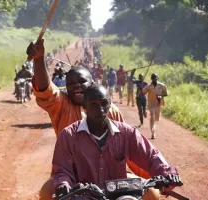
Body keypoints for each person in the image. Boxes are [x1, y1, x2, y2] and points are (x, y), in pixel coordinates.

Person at [26, 40, 150, 200]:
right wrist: (38, 58)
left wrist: (157, 177)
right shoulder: (62, 105)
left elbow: (129, 150)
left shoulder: (112, 111)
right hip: (72, 179)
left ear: (93, 83)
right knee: (47, 193)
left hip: (111, 177)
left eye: (81, 82)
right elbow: (45, 89)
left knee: (151, 192)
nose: (76, 86)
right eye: (70, 84)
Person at [52, 84, 181, 200]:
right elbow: (62, 170)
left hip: (121, 195)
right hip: (83, 196)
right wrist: (63, 184)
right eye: (94, 105)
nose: (101, 110)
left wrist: (167, 174)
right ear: (84, 106)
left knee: (153, 195)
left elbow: (151, 156)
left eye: (104, 103)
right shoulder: (68, 136)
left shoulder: (127, 132)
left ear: (110, 103)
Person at [142, 73, 168, 139]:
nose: (154, 79)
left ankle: (153, 129)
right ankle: (153, 133)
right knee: (152, 117)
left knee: (156, 119)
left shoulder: (162, 85)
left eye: (155, 78)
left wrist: (160, 96)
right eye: (153, 78)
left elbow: (166, 93)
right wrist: (141, 89)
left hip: (158, 104)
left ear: (157, 78)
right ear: (151, 79)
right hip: (151, 104)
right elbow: (143, 93)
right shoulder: (148, 86)